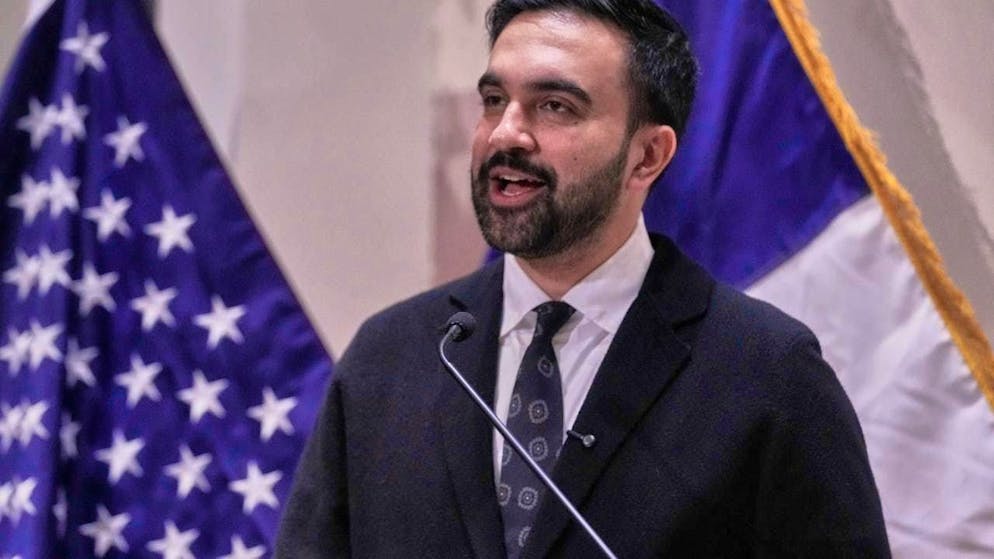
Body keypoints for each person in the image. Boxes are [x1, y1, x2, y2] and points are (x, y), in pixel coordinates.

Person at [275, 0, 890, 557]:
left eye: (554, 106)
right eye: (494, 100)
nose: (506, 133)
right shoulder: (391, 357)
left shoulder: (770, 375)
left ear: (646, 156)